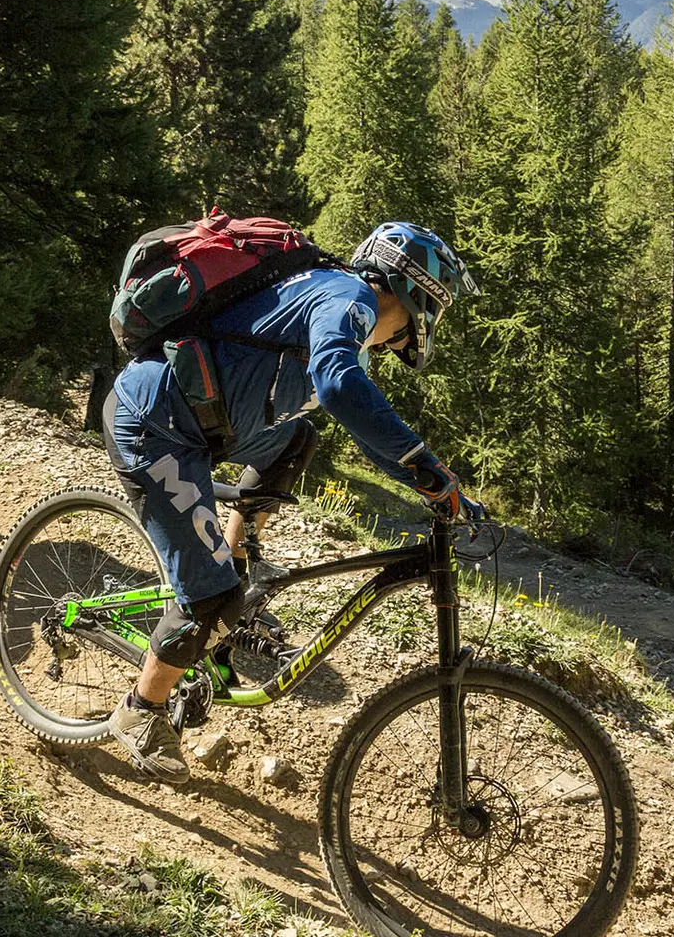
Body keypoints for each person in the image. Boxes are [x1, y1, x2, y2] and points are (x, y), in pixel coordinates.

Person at [103, 221, 483, 782]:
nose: (427, 326)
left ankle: (234, 552)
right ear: (412, 295)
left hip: (211, 426)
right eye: (434, 309)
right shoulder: (345, 295)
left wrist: (426, 480)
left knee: (299, 435)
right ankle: (141, 710)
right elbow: (337, 385)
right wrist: (426, 470)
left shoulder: (339, 314)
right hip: (155, 428)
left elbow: (353, 412)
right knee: (207, 600)